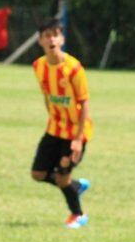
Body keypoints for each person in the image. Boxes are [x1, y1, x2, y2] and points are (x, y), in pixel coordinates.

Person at [30, 18, 92, 229]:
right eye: (47, 35)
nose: (51, 39)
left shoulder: (74, 69)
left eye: (55, 34)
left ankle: (78, 215)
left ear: (62, 39)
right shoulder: (38, 66)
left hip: (75, 132)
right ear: (40, 41)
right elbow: (48, 97)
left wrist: (78, 139)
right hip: (54, 129)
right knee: (37, 174)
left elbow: (84, 104)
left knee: (62, 176)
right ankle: (75, 186)